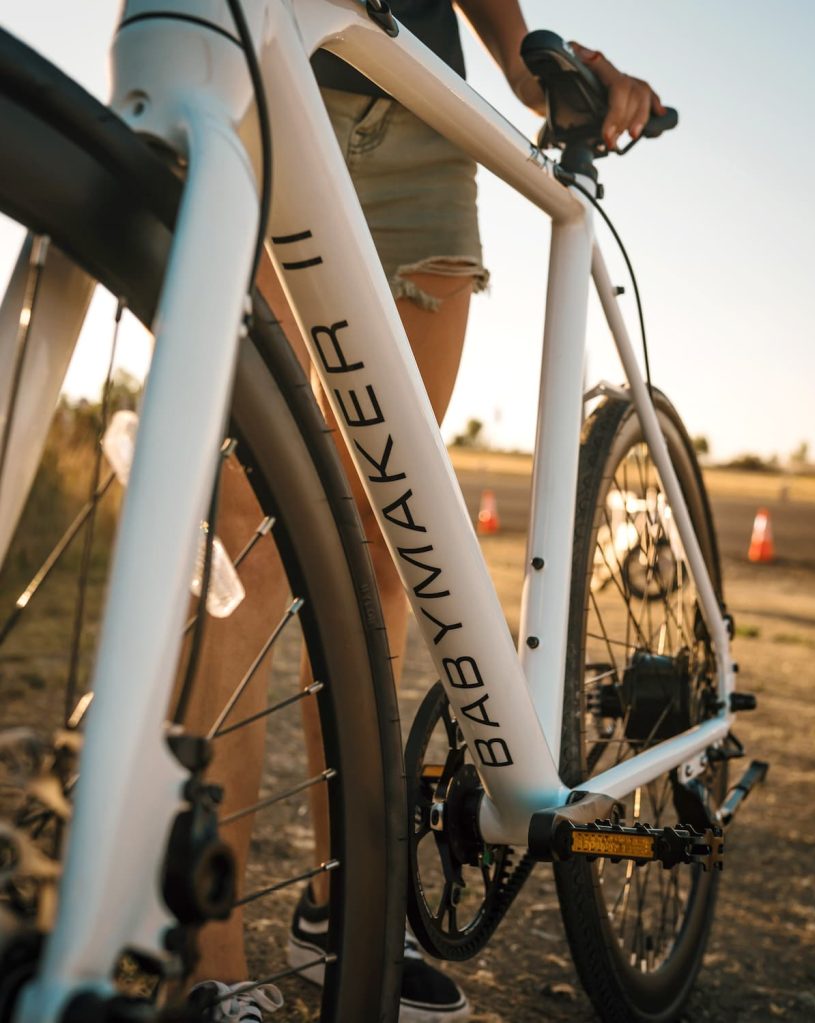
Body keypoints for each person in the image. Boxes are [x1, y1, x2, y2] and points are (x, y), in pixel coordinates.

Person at [186, 2, 665, 1020]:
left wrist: (528, 72)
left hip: (418, 104)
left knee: (381, 549)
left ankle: (347, 911)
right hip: (273, 69)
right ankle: (208, 951)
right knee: (246, 539)